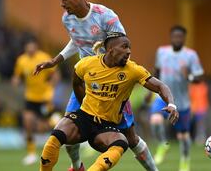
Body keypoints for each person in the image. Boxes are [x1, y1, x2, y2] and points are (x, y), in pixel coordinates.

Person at [34, 0, 159, 171]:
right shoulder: (67, 19)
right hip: (86, 81)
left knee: (131, 137)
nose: (62, 4)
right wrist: (55, 60)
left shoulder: (106, 17)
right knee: (68, 128)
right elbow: (77, 41)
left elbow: (122, 46)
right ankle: (78, 167)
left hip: (112, 85)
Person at [39, 32, 179, 171]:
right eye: (124, 47)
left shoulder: (133, 70)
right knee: (55, 138)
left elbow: (161, 86)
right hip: (84, 116)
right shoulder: (86, 64)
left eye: (129, 48)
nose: (128, 51)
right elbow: (76, 82)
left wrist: (171, 104)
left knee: (122, 143)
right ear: (111, 49)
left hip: (106, 125)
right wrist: (83, 104)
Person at [149, 25, 204, 171]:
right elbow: (157, 71)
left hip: (182, 101)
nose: (177, 39)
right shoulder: (162, 52)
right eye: (175, 36)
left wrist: (189, 76)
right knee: (155, 119)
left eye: (180, 37)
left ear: (184, 38)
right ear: (171, 37)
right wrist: (149, 92)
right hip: (163, 97)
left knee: (183, 136)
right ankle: (162, 145)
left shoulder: (191, 55)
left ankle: (185, 161)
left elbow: (199, 77)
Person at [12, 39, 60, 165]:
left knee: (47, 125)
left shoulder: (43, 57)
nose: (30, 49)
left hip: (45, 97)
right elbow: (17, 75)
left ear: (36, 47)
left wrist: (51, 87)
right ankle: (31, 154)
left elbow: (55, 74)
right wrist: (16, 80)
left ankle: (59, 124)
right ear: (25, 48)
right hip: (30, 97)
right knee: (27, 122)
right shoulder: (21, 60)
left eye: (32, 47)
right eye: (28, 47)